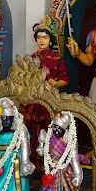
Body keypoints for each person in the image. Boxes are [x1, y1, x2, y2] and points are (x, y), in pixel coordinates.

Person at [22, 21, 70, 168]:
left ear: (51, 40)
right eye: (39, 37)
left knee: (49, 127)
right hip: (33, 100)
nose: (42, 40)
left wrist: (56, 83)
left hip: (49, 100)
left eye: (45, 37)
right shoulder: (30, 59)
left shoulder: (57, 59)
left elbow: (65, 79)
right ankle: (31, 162)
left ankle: (49, 163)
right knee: (30, 127)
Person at [26, 111, 83, 191]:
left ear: (66, 129)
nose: (56, 130)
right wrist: (40, 147)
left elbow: (74, 159)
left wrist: (78, 174)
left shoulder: (70, 141)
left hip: (63, 172)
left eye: (59, 128)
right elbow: (42, 152)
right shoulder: (49, 137)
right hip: (50, 171)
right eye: (55, 127)